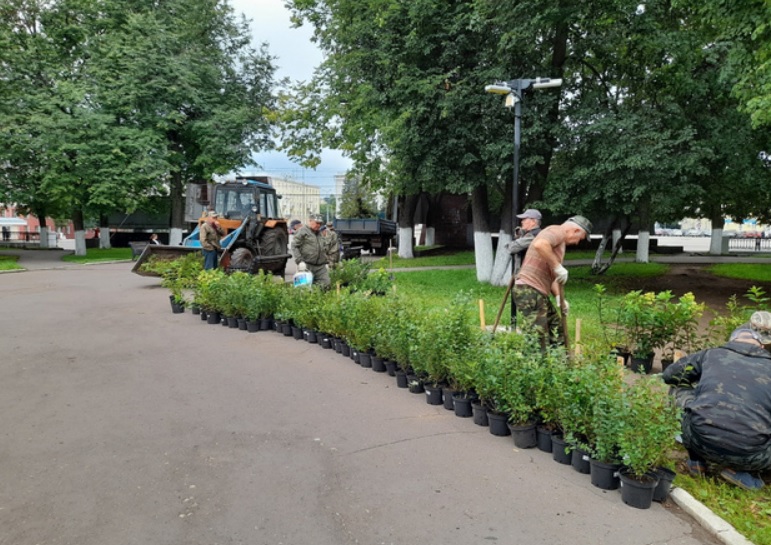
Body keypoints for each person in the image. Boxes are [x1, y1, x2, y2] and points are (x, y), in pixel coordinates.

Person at [662, 311, 771, 490]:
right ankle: (744, 473)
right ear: (763, 344)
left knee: (678, 388)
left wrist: (701, 390)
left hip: (698, 440)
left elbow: (670, 375)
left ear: (733, 339)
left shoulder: (711, 354)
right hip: (751, 455)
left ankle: (696, 461)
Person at [512, 215, 592, 347]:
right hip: (529, 289)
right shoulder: (557, 231)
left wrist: (559, 297)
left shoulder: (559, 244)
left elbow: (554, 276)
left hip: (537, 292)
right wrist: (557, 266)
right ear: (576, 231)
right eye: (580, 238)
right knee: (538, 338)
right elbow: (540, 244)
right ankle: (537, 365)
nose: (577, 242)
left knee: (555, 328)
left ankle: (559, 363)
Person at [504, 209, 542, 324]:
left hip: (529, 278)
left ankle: (535, 335)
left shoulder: (535, 235)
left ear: (533, 221)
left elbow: (512, 248)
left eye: (525, 219)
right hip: (526, 276)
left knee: (531, 312)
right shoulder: (529, 234)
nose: (522, 222)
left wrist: (516, 240)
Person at [291, 213, 330, 288]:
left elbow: (323, 247)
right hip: (306, 265)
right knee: (303, 288)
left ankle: (317, 298)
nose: (318, 225)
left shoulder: (319, 233)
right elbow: (294, 245)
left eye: (320, 223)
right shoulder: (302, 231)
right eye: (317, 223)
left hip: (320, 266)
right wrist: (299, 261)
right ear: (310, 221)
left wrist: (326, 260)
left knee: (326, 284)